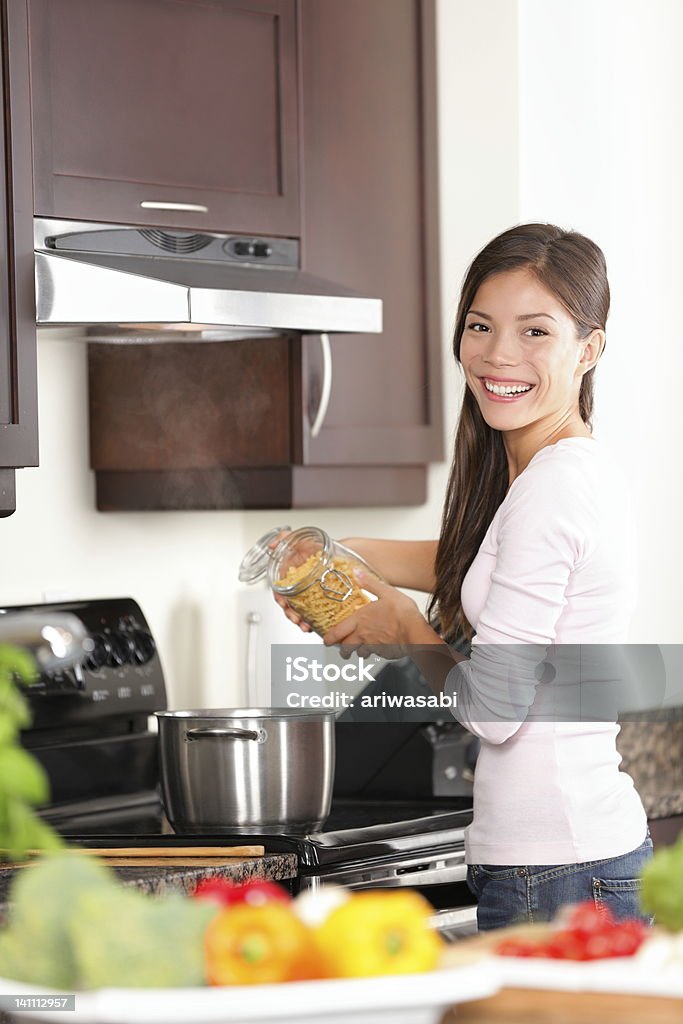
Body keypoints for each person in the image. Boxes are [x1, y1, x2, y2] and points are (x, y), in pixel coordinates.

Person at [276, 223, 653, 931]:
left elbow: (494, 711)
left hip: (558, 868)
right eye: (480, 326)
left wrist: (402, 628)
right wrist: (342, 554)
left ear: (588, 350)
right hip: (565, 856)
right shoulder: (563, 470)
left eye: (534, 331)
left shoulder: (552, 486)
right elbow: (485, 558)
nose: (497, 354)